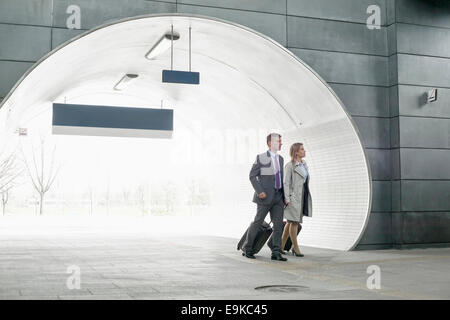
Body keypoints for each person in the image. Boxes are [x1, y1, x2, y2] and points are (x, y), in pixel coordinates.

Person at [243, 133, 288, 261]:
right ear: (270, 143)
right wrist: (259, 191)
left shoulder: (281, 159)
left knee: (278, 225)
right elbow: (252, 176)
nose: (281, 143)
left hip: (278, 197)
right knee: (257, 223)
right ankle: (248, 248)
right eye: (278, 141)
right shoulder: (262, 158)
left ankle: (276, 252)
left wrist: (284, 197)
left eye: (280, 141)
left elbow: (280, 179)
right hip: (265, 197)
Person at [281, 142, 312, 257]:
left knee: (290, 222)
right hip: (293, 197)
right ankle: (296, 248)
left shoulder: (304, 164)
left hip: (302, 196)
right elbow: (286, 183)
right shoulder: (290, 166)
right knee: (294, 222)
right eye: (302, 149)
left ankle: (280, 246)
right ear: (296, 152)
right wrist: (287, 198)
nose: (304, 151)